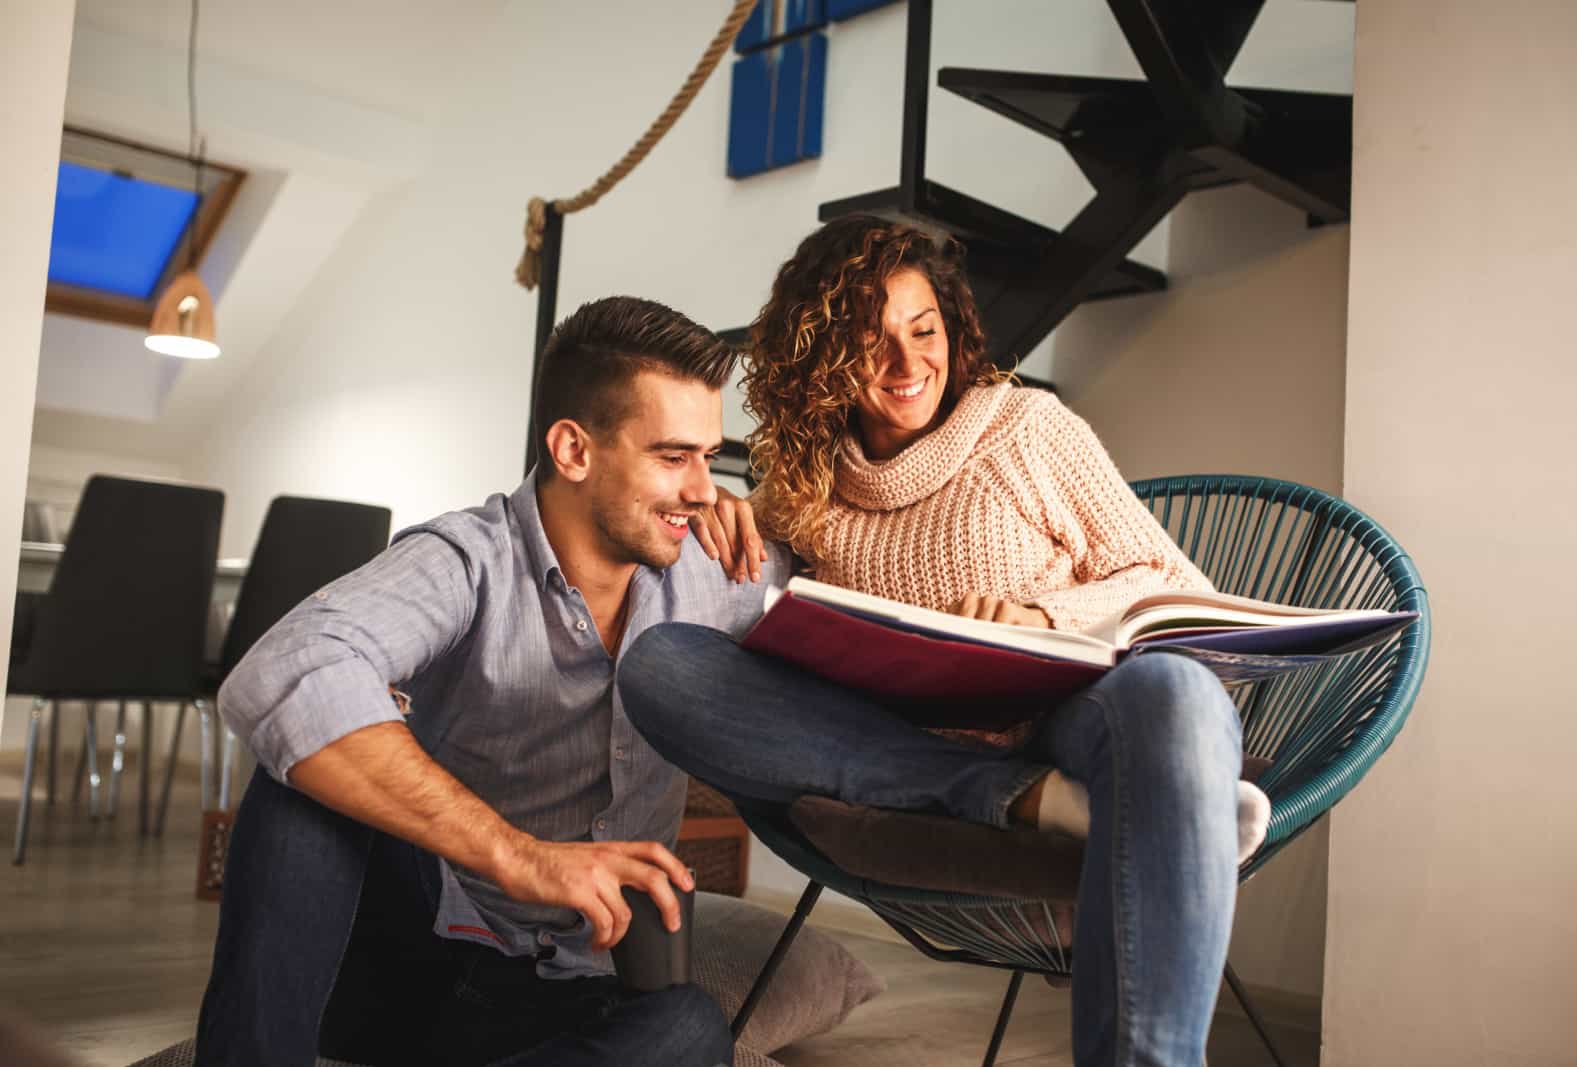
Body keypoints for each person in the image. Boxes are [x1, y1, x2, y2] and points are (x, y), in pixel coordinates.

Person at [618, 217, 1267, 1067]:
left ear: (951, 330)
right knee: (663, 666)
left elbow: (1174, 585)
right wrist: (718, 513)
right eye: (869, 341)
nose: (906, 362)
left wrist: (1044, 618)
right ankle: (1027, 799)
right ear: (821, 360)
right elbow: (741, 631)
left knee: (1179, 695)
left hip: (1073, 713)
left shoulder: (1028, 428)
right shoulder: (801, 492)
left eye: (924, 330)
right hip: (903, 745)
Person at [196, 296, 785, 1067]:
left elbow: (859, 563)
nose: (706, 489)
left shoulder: (715, 565)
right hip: (413, 961)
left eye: (711, 457)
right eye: (674, 457)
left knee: (689, 1031)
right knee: (300, 782)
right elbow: (283, 668)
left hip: (566, 992)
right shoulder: (466, 559)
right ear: (573, 449)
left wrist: (994, 604)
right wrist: (518, 855)